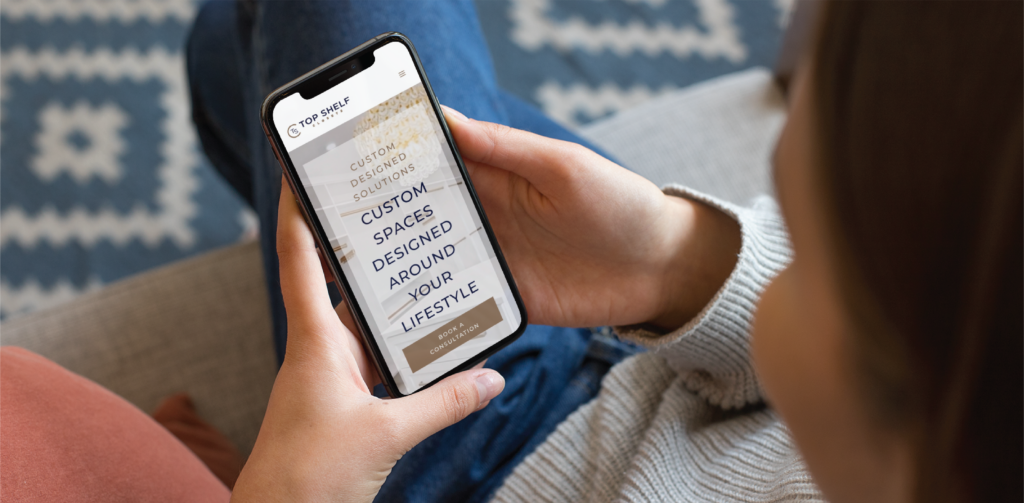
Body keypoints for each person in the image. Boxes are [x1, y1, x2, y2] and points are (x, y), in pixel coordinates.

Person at [185, 1, 1024, 502]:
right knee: (242, 55)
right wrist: (678, 261)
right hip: (633, 358)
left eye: (811, 256)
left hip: (481, 471)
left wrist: (283, 491)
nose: (787, 262)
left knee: (268, 73)